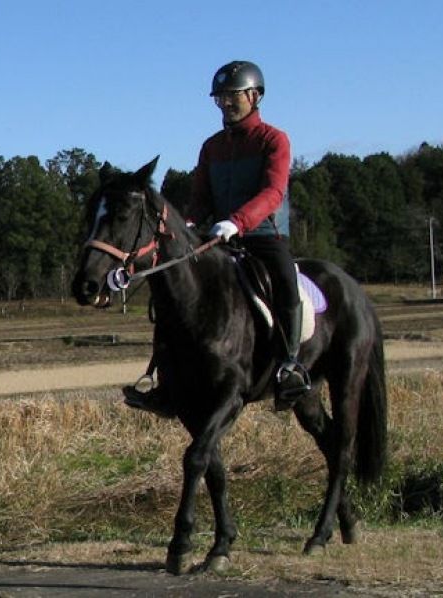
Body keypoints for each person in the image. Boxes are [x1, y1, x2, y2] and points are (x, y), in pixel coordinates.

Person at [123, 60, 310, 418]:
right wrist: (191, 222)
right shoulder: (211, 147)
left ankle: (289, 367)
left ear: (255, 96)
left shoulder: (274, 139)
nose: (225, 103)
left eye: (232, 96)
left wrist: (238, 221)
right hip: (218, 236)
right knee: (172, 293)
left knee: (286, 282)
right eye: (219, 98)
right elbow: (201, 198)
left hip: (263, 235)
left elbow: (273, 192)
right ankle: (164, 383)